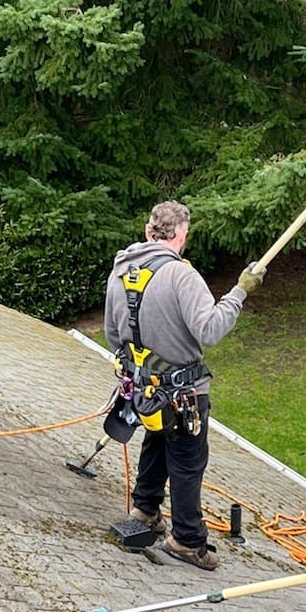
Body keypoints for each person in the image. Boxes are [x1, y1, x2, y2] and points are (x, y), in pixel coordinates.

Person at [103, 200, 261, 570]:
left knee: (156, 441)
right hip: (182, 391)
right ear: (179, 235)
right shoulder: (180, 275)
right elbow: (210, 329)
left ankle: (145, 509)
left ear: (148, 231)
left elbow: (113, 334)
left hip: (144, 388)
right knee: (188, 462)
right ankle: (187, 540)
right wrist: (240, 291)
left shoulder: (121, 272)